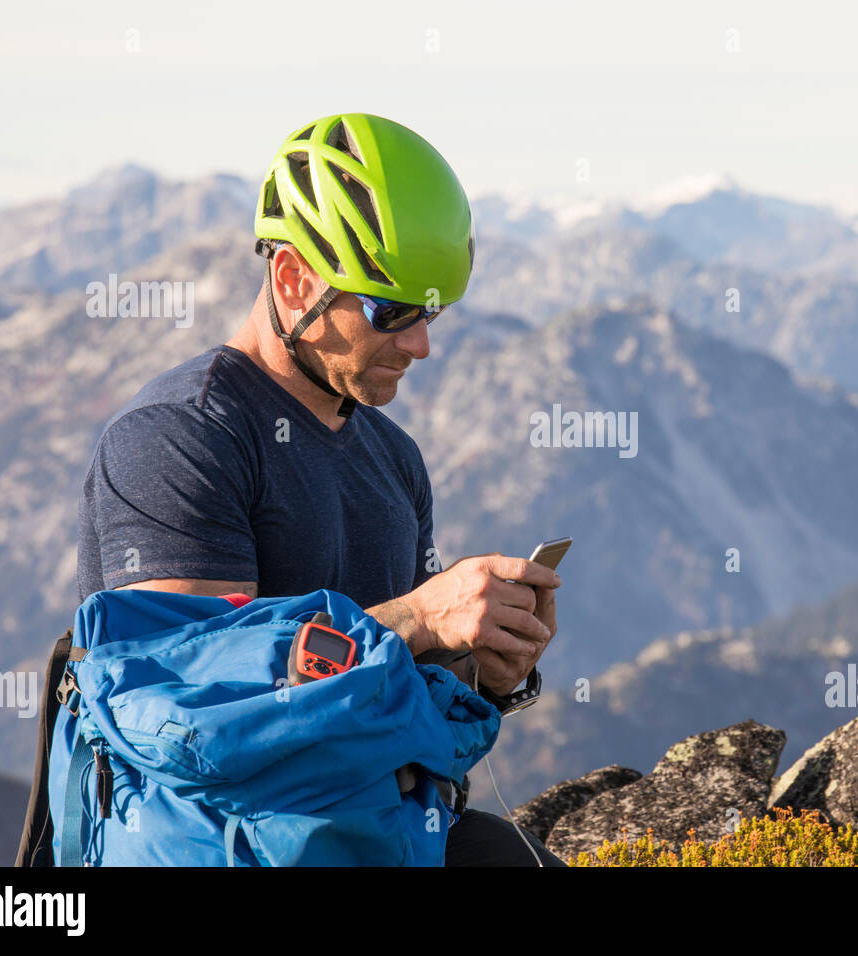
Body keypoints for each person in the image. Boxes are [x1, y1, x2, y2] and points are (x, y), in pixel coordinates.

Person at [77, 113, 565, 866]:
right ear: (293, 280)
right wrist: (419, 614)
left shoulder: (392, 457)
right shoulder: (178, 439)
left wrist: (485, 670)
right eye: (390, 310)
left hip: (363, 831)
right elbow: (196, 703)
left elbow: (397, 684)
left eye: (430, 311)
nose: (420, 344)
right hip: (213, 843)